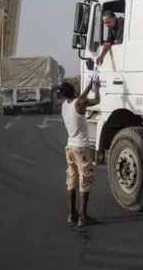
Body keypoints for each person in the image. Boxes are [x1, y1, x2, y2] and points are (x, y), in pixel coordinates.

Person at [59, 79, 100, 226]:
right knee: (85, 180)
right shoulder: (79, 104)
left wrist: (90, 87)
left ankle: (72, 214)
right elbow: (97, 100)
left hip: (70, 147)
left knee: (72, 179)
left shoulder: (64, 106)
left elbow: (81, 99)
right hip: (81, 149)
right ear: (73, 90)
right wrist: (94, 86)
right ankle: (83, 216)